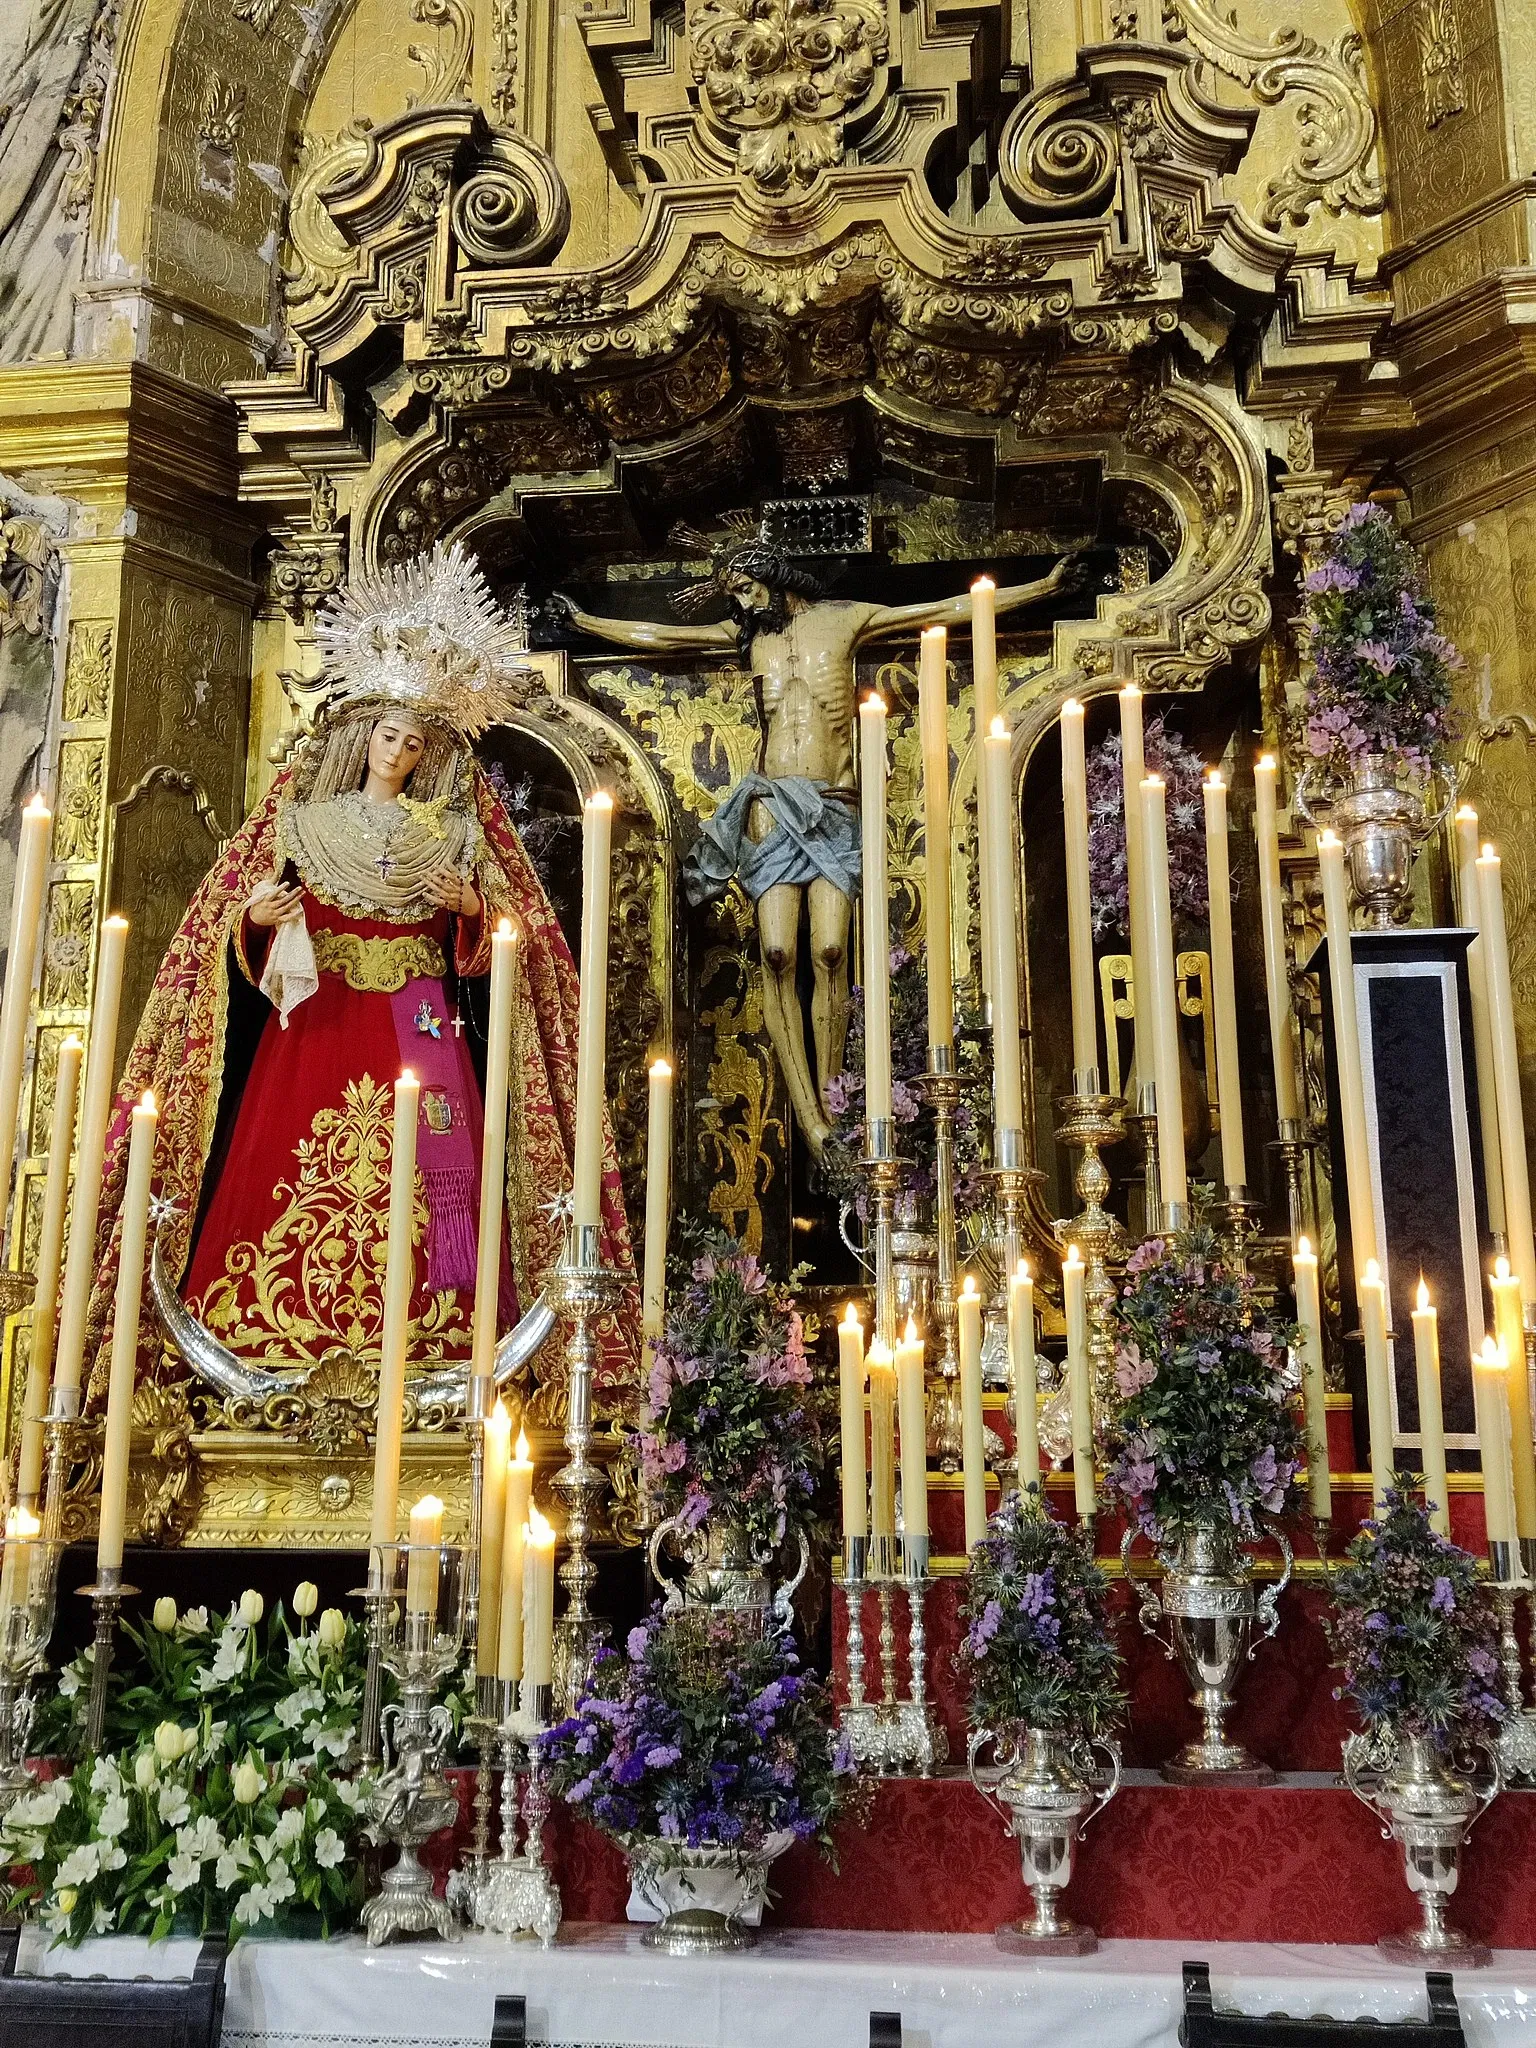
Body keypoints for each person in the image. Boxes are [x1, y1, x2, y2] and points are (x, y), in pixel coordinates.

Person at [81, 543, 631, 1403]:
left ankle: (441, 1339)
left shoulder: (452, 836)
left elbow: (509, 961)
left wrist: (473, 913)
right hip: (319, 1023)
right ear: (363, 734)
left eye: (414, 742)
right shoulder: (304, 822)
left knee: (444, 1181)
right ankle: (267, 1342)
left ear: (427, 754)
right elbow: (230, 937)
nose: (398, 751)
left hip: (421, 1027)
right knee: (280, 1162)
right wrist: (256, 924)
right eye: (387, 734)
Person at [559, 532, 1078, 1151]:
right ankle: (808, 1116)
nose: (745, 602)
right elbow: (666, 637)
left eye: (749, 588)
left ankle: (833, 1096)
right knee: (778, 953)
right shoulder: (751, 639)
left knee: (831, 949)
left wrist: (1041, 588)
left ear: (774, 575)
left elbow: (938, 610)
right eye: (736, 594)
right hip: (772, 802)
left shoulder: (844, 620)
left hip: (834, 805)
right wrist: (588, 621)